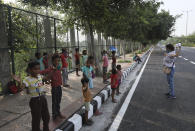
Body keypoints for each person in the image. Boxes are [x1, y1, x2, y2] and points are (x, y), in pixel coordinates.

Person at [12, 61, 50, 131]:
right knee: (36, 119)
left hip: (43, 98)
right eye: (35, 69)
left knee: (46, 117)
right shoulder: (27, 79)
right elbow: (21, 87)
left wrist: (49, 74)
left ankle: (46, 129)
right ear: (30, 70)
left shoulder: (39, 76)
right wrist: (19, 82)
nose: (37, 71)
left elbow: (46, 78)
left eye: (38, 69)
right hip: (35, 101)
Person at [40, 54, 66, 120]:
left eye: (58, 61)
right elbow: (44, 72)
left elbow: (62, 69)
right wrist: (37, 72)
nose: (57, 62)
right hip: (54, 87)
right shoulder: (51, 68)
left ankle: (58, 112)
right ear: (52, 61)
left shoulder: (58, 67)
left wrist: (61, 68)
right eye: (56, 61)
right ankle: (54, 115)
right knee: (54, 102)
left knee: (58, 101)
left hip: (59, 87)